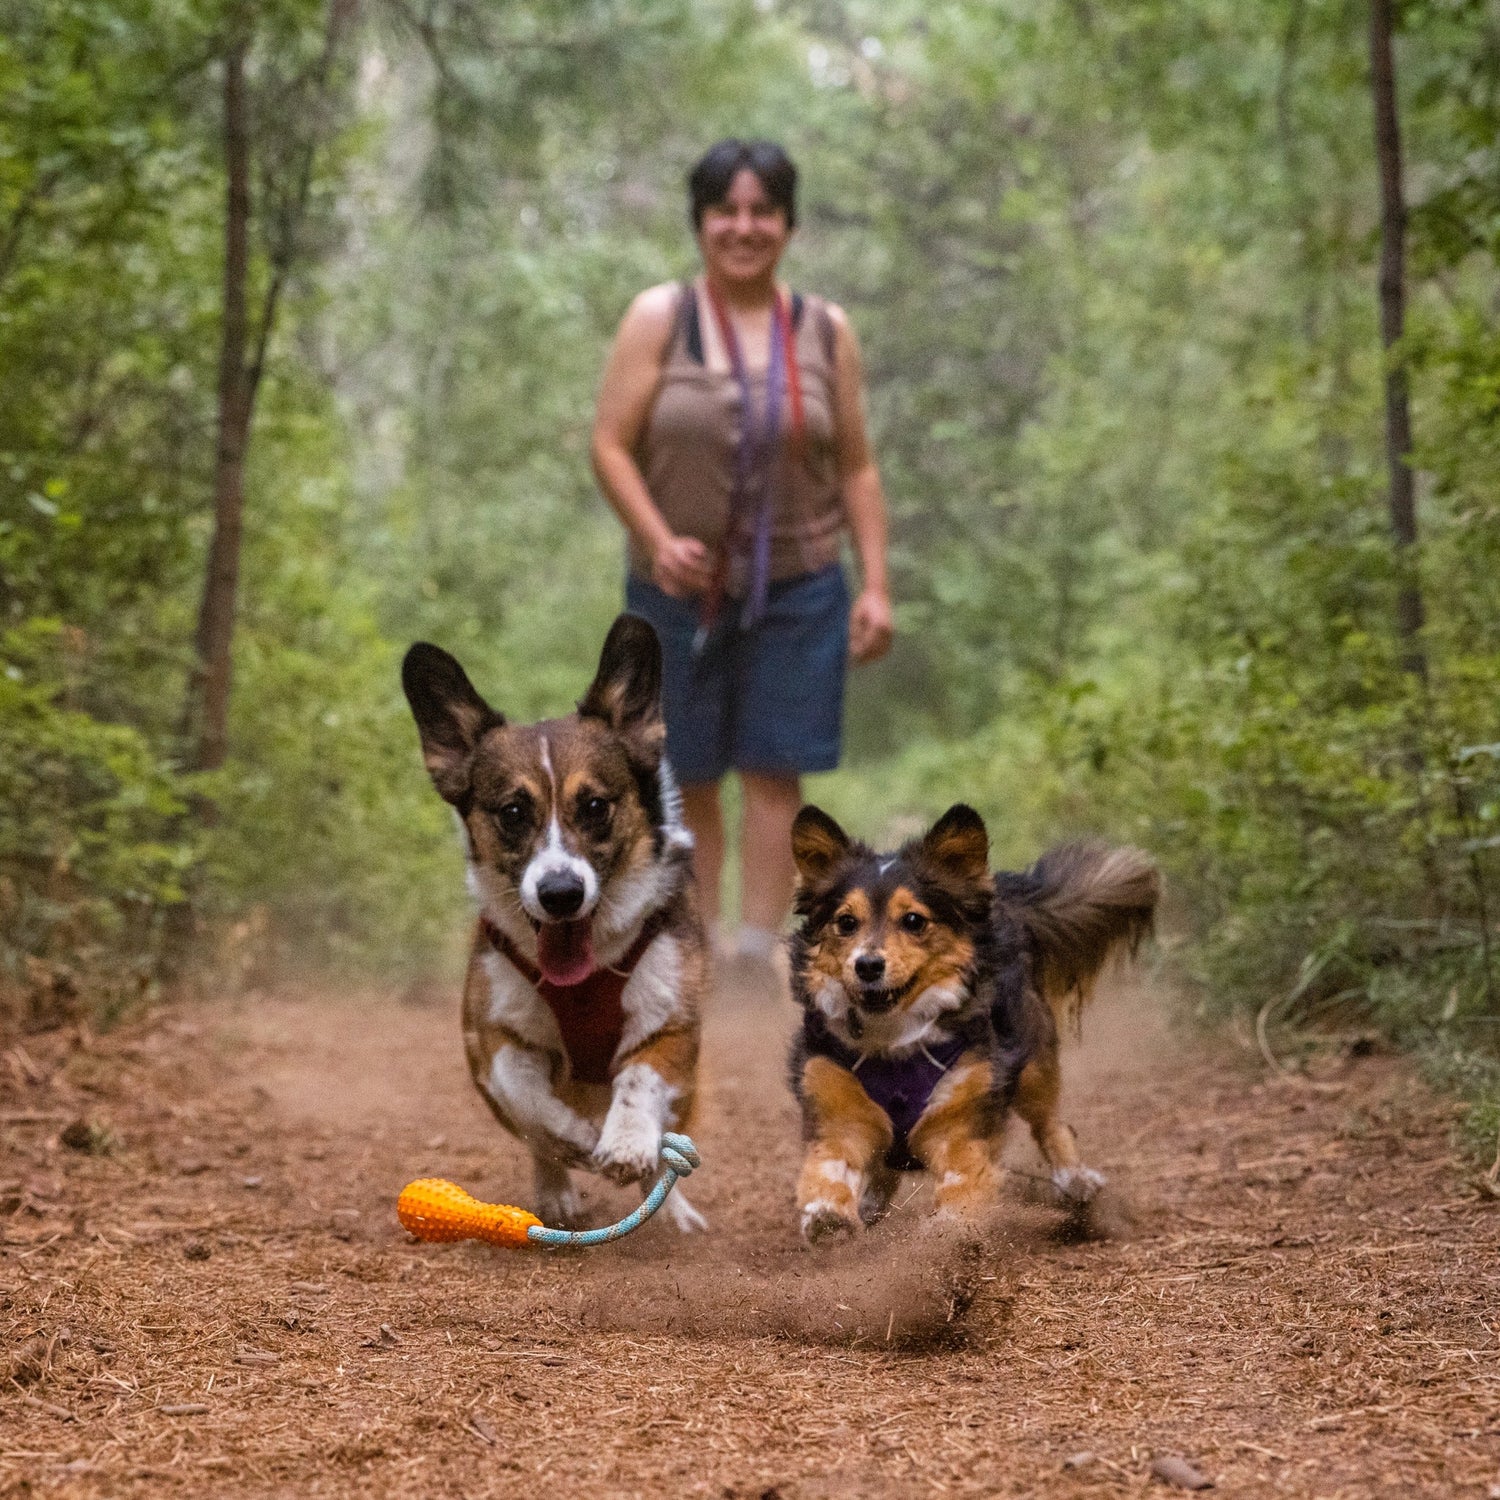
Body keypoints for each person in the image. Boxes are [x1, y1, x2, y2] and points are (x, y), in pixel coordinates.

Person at [590, 138, 893, 985]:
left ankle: (758, 955)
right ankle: (698, 946)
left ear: (789, 224)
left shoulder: (826, 331)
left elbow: (859, 466)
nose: (744, 226)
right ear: (700, 222)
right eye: (726, 209)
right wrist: (655, 537)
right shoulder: (661, 317)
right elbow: (609, 446)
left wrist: (876, 584)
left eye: (763, 210)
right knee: (684, 771)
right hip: (675, 593)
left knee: (773, 768)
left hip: (800, 588)